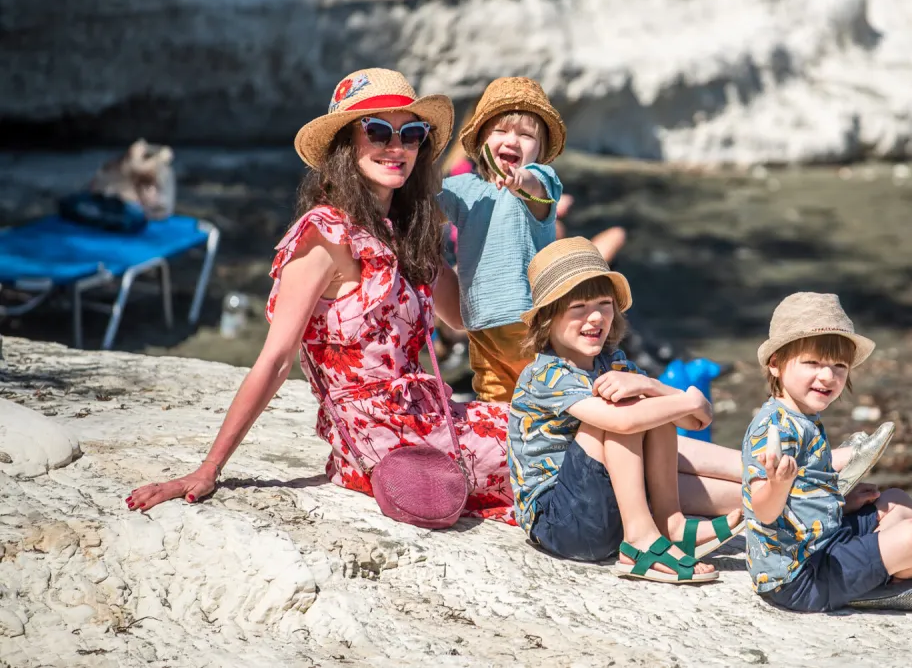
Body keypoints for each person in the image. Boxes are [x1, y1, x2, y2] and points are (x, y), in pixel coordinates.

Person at [125, 68, 514, 523]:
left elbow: (463, 318)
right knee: (546, 444)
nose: (397, 147)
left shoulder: (406, 232)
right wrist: (209, 468)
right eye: (378, 131)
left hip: (424, 416)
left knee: (545, 420)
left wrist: (498, 215)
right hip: (379, 437)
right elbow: (275, 359)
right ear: (346, 145)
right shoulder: (323, 236)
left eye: (411, 134)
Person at [507, 238, 745, 583]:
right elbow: (623, 421)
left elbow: (696, 420)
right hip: (561, 521)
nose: (595, 317)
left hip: (604, 508)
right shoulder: (546, 374)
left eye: (604, 304)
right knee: (625, 410)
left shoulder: (612, 361)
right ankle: (640, 541)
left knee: (649, 407)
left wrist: (652, 387)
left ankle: (670, 524)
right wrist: (686, 399)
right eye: (578, 307)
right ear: (548, 317)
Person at [742, 292, 912, 612]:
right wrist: (777, 485)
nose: (828, 376)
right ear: (775, 364)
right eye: (813, 363)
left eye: (839, 365)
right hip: (800, 577)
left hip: (825, 540)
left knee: (899, 501)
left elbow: (806, 490)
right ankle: (880, 587)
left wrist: (839, 501)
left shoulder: (803, 418)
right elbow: (763, 511)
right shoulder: (774, 430)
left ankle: (869, 573)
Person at [437, 77, 565, 403]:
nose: (513, 141)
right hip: (481, 328)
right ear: (481, 139)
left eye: (526, 135)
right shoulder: (463, 187)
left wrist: (520, 180)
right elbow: (423, 207)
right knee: (493, 399)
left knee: (548, 400)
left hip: (533, 324)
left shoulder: (542, 180)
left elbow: (535, 188)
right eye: (501, 131)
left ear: (541, 150)